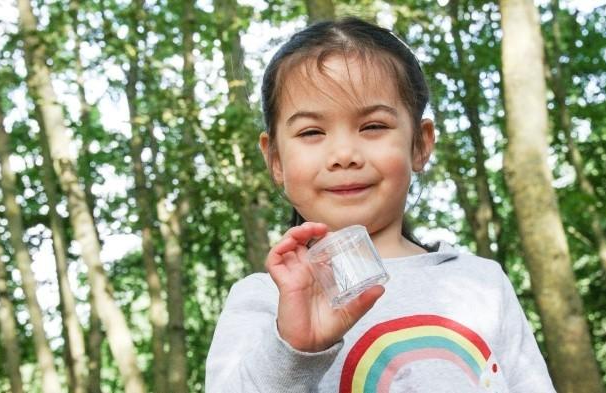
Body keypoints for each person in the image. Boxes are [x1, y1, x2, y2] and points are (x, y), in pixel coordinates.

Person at [206, 17, 556, 393]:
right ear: (275, 158)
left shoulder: (483, 282)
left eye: (373, 126)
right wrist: (294, 349)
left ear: (420, 144)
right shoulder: (265, 299)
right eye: (311, 132)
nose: (343, 154)